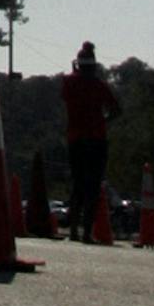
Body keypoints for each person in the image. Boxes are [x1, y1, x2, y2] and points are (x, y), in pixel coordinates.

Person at [60, 39, 121, 241]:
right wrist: (103, 120)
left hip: (76, 139)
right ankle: (87, 231)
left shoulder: (69, 83)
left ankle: (74, 230)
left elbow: (65, 96)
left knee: (77, 184)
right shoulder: (99, 85)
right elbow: (116, 110)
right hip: (96, 140)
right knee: (93, 186)